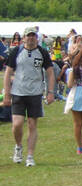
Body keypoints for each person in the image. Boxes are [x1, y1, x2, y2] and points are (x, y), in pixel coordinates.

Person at [4, 26, 56, 167]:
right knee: (17, 124)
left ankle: (30, 156)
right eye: (29, 35)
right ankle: (18, 147)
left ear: (36, 37)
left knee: (32, 124)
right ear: (24, 38)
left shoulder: (42, 52)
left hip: (35, 93)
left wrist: (50, 92)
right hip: (18, 92)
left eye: (33, 35)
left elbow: (50, 72)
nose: (31, 38)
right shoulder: (16, 51)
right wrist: (7, 94)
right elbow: (8, 73)